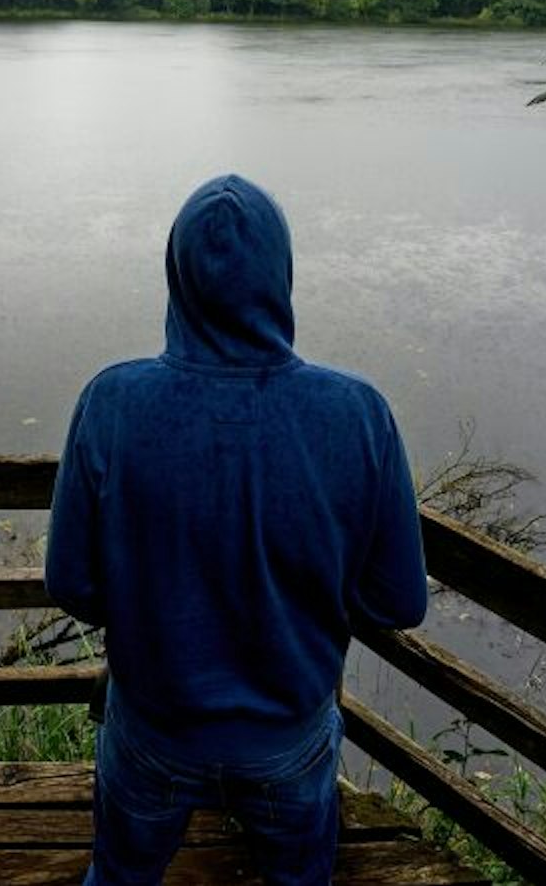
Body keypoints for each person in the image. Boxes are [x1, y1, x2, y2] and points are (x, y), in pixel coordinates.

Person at [45, 174, 430, 886]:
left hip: (152, 730)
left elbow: (72, 583)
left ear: (176, 274)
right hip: (289, 738)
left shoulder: (112, 403)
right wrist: (304, 603)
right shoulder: (358, 414)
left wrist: (150, 611)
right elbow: (399, 601)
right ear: (282, 275)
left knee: (121, 876)